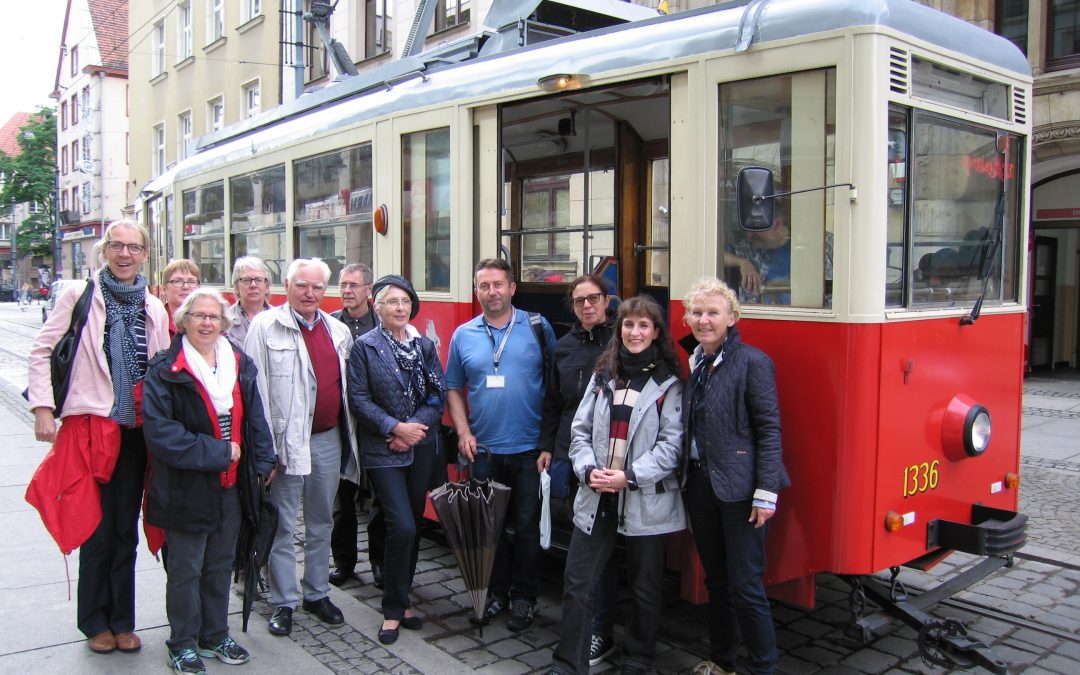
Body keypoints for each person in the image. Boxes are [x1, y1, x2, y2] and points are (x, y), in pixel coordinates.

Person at [27, 220, 170, 655]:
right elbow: (41, 350)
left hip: (135, 433)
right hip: (91, 428)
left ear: (145, 254)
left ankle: (122, 620)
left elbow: (160, 368)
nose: (124, 254)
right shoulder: (80, 296)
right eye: (117, 246)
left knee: (125, 526)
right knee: (97, 525)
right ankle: (94, 621)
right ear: (105, 251)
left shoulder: (154, 307)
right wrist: (42, 408)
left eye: (133, 247)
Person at [546, 295, 686, 675]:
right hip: (597, 494)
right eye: (628, 324)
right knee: (578, 581)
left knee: (644, 587)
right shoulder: (602, 374)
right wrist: (588, 468)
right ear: (618, 329)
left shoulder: (668, 385)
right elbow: (579, 431)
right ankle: (568, 663)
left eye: (643, 325)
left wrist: (630, 475)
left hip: (644, 499)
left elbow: (672, 447)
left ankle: (638, 661)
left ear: (656, 332)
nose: (635, 332)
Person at [142, 289, 276, 674]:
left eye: (213, 317)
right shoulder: (166, 368)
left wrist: (263, 461)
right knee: (186, 568)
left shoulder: (237, 361)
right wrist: (218, 452)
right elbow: (161, 434)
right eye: (198, 316)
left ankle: (214, 633)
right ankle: (182, 641)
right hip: (185, 487)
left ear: (223, 322)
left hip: (231, 486)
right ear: (183, 321)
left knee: (219, 563)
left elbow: (255, 417)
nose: (206, 323)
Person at [244, 258, 360, 637]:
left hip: (327, 439)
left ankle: (316, 593)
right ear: (287, 286)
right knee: (280, 525)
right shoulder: (264, 327)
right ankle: (284, 602)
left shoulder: (339, 331)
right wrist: (264, 451)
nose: (309, 293)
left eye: (316, 287)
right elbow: (253, 393)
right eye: (301, 286)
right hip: (285, 443)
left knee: (321, 520)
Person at [682, 277, 789, 675]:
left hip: (742, 491)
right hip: (702, 486)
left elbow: (769, 429)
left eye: (713, 312)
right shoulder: (697, 360)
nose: (704, 320)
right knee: (718, 582)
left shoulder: (753, 362)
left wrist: (766, 492)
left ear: (732, 317)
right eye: (697, 312)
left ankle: (763, 668)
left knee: (746, 586)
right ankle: (723, 661)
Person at [446, 258, 556, 632]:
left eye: (498, 284)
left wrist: (548, 442)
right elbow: (453, 389)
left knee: (525, 529)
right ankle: (494, 595)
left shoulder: (538, 328)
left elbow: (554, 390)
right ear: (476, 291)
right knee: (488, 530)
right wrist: (463, 433)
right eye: (483, 286)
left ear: (512, 288)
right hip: (484, 453)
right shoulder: (464, 335)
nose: (491, 292)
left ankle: (524, 599)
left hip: (528, 451)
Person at [347, 275, 446, 645]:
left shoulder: (423, 346)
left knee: (414, 524)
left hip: (419, 446)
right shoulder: (364, 347)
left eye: (405, 302)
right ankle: (391, 609)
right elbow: (359, 399)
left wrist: (414, 429)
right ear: (378, 307)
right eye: (392, 302)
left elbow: (438, 393)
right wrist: (395, 428)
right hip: (383, 448)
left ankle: (403, 601)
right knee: (400, 524)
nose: (400, 308)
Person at [538, 274, 619, 666]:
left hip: (611, 461)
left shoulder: (622, 341)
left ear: (607, 301)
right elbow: (554, 402)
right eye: (579, 301)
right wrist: (548, 448)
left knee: (602, 550)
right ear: (572, 307)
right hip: (572, 454)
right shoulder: (565, 347)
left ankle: (602, 631)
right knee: (582, 543)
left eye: (594, 298)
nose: (587, 306)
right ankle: (588, 628)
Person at [329, 263, 382, 588]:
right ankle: (344, 562)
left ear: (368, 290)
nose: (347, 291)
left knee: (380, 498)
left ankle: (379, 563)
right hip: (342, 423)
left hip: (376, 424)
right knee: (342, 500)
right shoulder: (330, 325)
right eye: (343, 285)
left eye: (353, 285)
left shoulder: (383, 324)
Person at [224, 256, 273, 348]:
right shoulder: (225, 320)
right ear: (236, 287)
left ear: (267, 287)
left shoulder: (281, 320)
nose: (253, 285)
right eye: (246, 280)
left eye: (259, 280)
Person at [161, 259, 202, 335]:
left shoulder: (209, 322)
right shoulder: (155, 321)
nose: (186, 287)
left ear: (199, 287)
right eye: (178, 281)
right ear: (164, 290)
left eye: (192, 282)